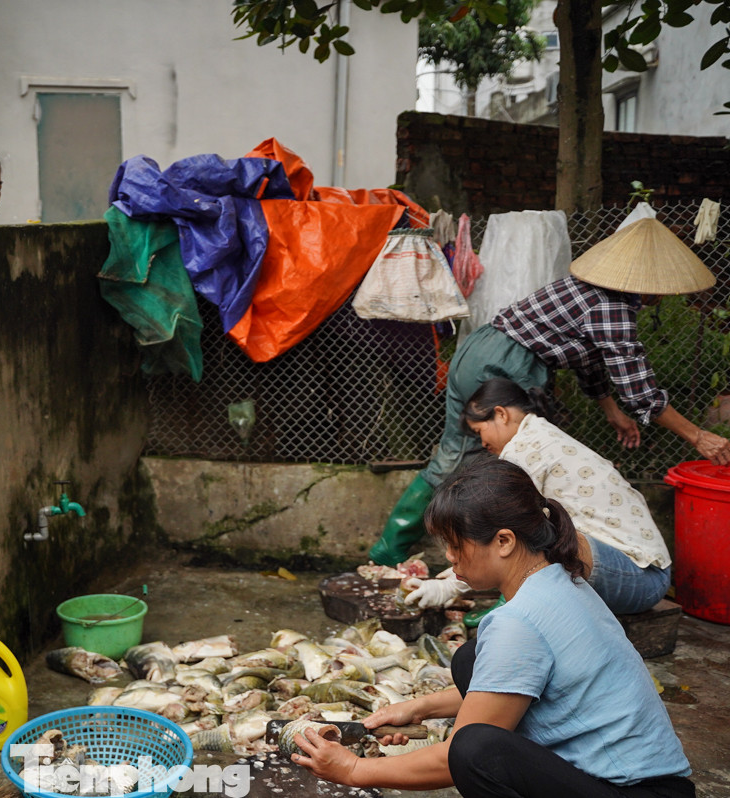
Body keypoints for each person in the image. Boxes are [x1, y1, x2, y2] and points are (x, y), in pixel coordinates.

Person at [293, 458, 694, 798]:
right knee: (470, 659)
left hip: (637, 791)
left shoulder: (517, 621)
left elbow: (453, 759)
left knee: (474, 749)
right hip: (658, 783)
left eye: (455, 545)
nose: (450, 560)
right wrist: (416, 708)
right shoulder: (561, 578)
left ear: (503, 541)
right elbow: (506, 681)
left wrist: (352, 771)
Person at [367, 218, 730, 567]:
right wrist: (698, 436)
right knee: (513, 465)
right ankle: (407, 552)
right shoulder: (612, 308)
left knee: (479, 457)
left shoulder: (585, 290)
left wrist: (609, 409)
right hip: (504, 365)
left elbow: (586, 358)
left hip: (483, 349)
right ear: (648, 282)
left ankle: (472, 559)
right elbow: (641, 394)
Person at [407, 378, 671, 616]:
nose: (482, 443)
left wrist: (449, 588)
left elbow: (496, 533)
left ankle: (514, 608)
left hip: (642, 579)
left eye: (479, 431)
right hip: (639, 573)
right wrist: (445, 583)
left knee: (529, 533)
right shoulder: (536, 436)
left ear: (500, 414)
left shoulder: (524, 449)